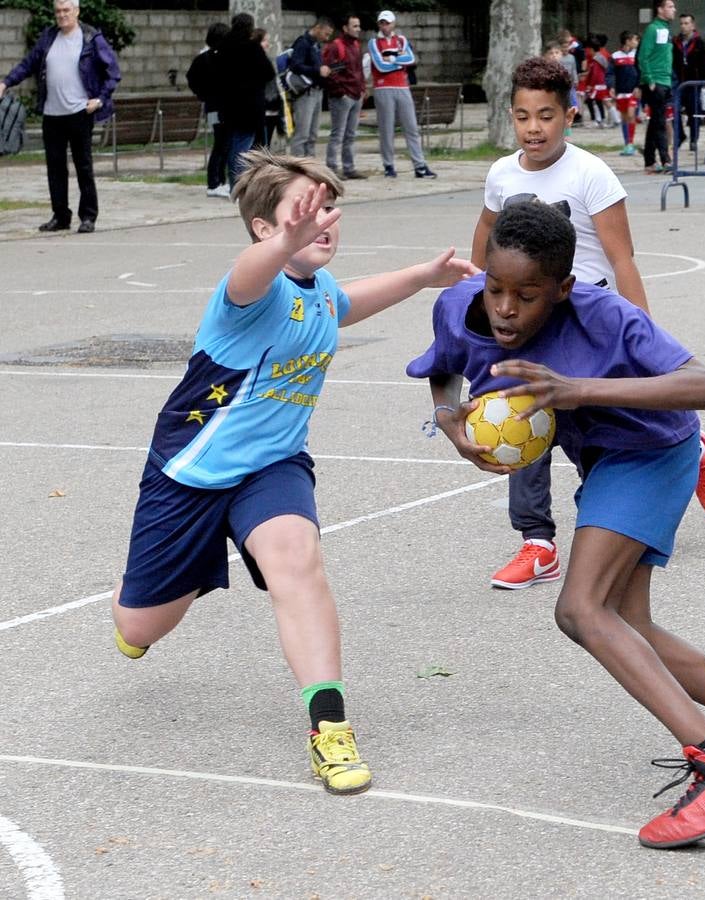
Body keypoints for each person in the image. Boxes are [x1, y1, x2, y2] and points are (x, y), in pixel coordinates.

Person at [410, 198, 705, 849]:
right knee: (630, 627)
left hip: (652, 451)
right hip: (601, 460)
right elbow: (445, 370)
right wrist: (451, 424)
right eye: (497, 288)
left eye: (527, 295)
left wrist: (578, 390)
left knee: (580, 609)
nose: (506, 308)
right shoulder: (460, 305)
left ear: (563, 290)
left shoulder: (606, 318)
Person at [109, 148, 478, 794]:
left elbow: (344, 303)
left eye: (328, 208)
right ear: (264, 228)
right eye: (305, 211)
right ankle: (184, 574)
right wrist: (284, 242)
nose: (323, 221)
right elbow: (248, 274)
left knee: (298, 562)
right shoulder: (249, 294)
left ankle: (328, 729)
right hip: (190, 474)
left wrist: (423, 275)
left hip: (272, 468)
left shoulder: (317, 289)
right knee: (139, 628)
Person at [469, 56, 705, 590]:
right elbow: (486, 248)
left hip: (591, 329)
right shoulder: (501, 174)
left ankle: (681, 453)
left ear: (568, 115)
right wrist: (479, 304)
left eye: (545, 115)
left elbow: (622, 259)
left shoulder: (591, 174)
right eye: (522, 116)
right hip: (532, 325)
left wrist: (646, 344)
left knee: (608, 432)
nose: (533, 127)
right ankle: (537, 543)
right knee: (520, 422)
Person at [0, 0, 120, 234]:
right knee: (55, 168)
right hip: (52, 113)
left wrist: (101, 99)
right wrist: (6, 82)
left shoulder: (91, 38)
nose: (62, 15)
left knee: (83, 166)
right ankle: (60, 216)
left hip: (79, 112)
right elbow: (28, 64)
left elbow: (113, 72)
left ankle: (88, 216)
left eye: (66, 10)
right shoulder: (48, 37)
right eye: (58, 11)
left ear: (76, 11)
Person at [369, 10, 436, 179]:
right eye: (382, 23)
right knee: (386, 129)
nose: (385, 26)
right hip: (383, 87)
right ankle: (389, 165)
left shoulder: (401, 40)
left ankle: (419, 165)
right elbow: (379, 66)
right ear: (379, 25)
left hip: (402, 86)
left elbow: (411, 59)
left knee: (411, 127)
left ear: (393, 24)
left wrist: (391, 59)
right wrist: (398, 61)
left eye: (387, 22)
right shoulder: (374, 43)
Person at [217, 14, 275, 186]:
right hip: (249, 104)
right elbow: (268, 72)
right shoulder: (252, 48)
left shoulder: (223, 47)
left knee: (232, 141)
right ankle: (238, 182)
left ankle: (232, 179)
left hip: (228, 103)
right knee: (244, 143)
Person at [187, 22, 231, 199]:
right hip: (217, 107)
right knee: (220, 144)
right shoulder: (212, 58)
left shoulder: (206, 58)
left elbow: (192, 79)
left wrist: (203, 95)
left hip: (213, 106)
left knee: (222, 143)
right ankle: (214, 182)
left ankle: (219, 180)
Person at [322, 14, 366, 180]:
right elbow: (330, 71)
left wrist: (361, 88)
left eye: (358, 26)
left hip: (355, 94)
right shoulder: (336, 46)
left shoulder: (356, 45)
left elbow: (359, 69)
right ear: (345, 28)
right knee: (338, 134)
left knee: (351, 134)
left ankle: (349, 167)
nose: (358, 29)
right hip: (343, 96)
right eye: (354, 26)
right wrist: (341, 91)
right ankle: (332, 167)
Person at [287, 16, 334, 158]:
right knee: (302, 134)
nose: (327, 38)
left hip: (317, 91)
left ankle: (310, 166)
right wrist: (317, 70)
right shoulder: (303, 43)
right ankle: (298, 167)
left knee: (312, 134)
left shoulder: (316, 44)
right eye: (326, 34)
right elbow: (295, 65)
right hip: (305, 94)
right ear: (318, 28)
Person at [639, 0, 676, 175]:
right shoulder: (653, 29)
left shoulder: (666, 29)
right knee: (660, 122)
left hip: (665, 80)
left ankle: (649, 160)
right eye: (669, 7)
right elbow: (643, 55)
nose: (673, 10)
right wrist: (649, 78)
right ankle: (665, 159)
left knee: (655, 122)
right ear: (660, 9)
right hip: (656, 81)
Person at [672, 12, 705, 152]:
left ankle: (693, 139)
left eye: (686, 23)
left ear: (692, 25)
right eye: (681, 24)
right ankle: (680, 135)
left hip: (693, 83)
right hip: (678, 82)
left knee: (693, 112)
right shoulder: (675, 42)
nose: (683, 26)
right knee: (674, 110)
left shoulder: (700, 44)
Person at [612, 31, 642, 157]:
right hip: (620, 92)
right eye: (635, 40)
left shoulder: (638, 55)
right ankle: (626, 144)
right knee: (624, 117)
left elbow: (641, 71)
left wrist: (639, 86)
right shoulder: (615, 56)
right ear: (627, 41)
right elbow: (610, 73)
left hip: (633, 91)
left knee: (631, 115)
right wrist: (611, 86)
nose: (637, 42)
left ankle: (630, 142)